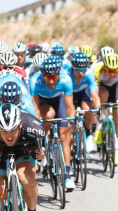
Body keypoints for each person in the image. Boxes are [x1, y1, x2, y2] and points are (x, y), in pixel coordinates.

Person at [30, 57, 76, 189]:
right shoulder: (35, 80)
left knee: (64, 136)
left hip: (59, 100)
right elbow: (36, 108)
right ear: (42, 75)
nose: (51, 81)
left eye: (54, 78)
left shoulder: (65, 79)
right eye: (47, 78)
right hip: (43, 102)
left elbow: (70, 107)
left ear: (58, 75)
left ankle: (67, 175)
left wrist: (71, 122)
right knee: (48, 115)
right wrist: (36, 126)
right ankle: (42, 142)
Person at [92, 53, 118, 165]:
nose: (112, 73)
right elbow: (95, 92)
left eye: (114, 70)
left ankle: (117, 141)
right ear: (104, 67)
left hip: (115, 89)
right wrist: (98, 109)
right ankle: (99, 128)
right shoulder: (97, 69)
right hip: (102, 87)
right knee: (103, 95)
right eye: (109, 71)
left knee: (117, 115)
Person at [67, 53, 100, 152]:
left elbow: (94, 95)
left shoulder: (89, 74)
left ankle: (88, 134)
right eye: (79, 70)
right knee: (69, 112)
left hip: (83, 93)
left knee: (88, 109)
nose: (82, 73)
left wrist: (98, 110)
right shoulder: (67, 74)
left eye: (84, 70)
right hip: (69, 94)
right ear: (73, 68)